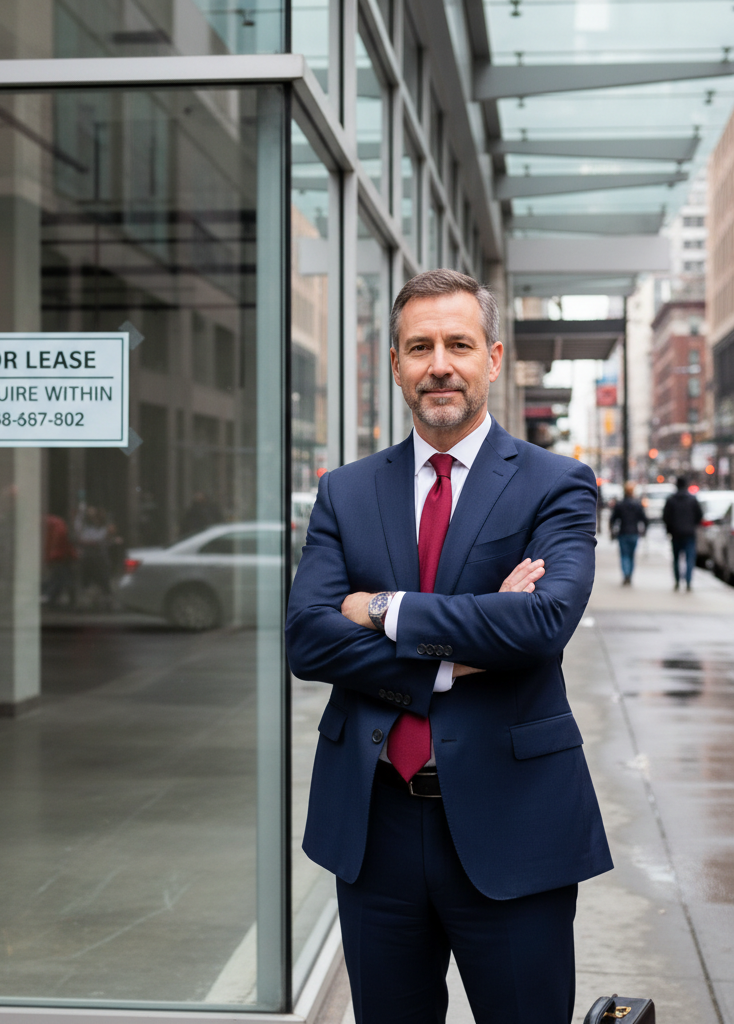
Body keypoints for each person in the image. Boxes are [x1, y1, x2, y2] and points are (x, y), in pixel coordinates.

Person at [286, 270, 612, 1024]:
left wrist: (381, 608)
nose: (440, 363)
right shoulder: (346, 491)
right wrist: (454, 654)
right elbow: (308, 639)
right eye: (420, 346)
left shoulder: (556, 483)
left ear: (492, 358)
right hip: (375, 822)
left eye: (459, 344)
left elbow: (542, 623)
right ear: (396, 364)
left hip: (514, 822)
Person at [662, 476, 703, 591]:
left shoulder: (671, 500)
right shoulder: (692, 499)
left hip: (676, 534)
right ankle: (688, 581)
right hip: (689, 533)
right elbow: (699, 515)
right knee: (689, 558)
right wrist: (692, 525)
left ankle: (677, 581)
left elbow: (666, 517)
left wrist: (669, 529)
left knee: (676, 559)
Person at [610, 481, 648, 585]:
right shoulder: (637, 504)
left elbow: (613, 519)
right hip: (634, 533)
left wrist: (612, 530)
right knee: (631, 555)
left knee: (624, 555)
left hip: (623, 532)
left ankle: (626, 574)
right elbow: (644, 519)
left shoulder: (620, 504)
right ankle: (629, 574)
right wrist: (644, 529)